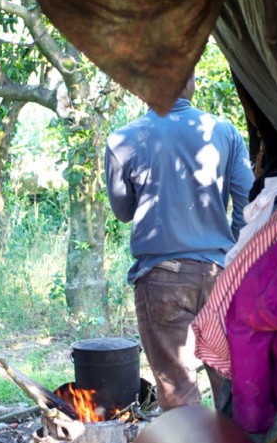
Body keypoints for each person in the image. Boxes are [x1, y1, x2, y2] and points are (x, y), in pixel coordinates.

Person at [104, 73, 254, 410]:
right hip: (219, 276)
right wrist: (226, 255)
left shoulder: (122, 140)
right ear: (194, 83)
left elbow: (123, 211)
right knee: (233, 385)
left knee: (179, 390)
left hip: (161, 278)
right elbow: (247, 203)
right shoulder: (225, 133)